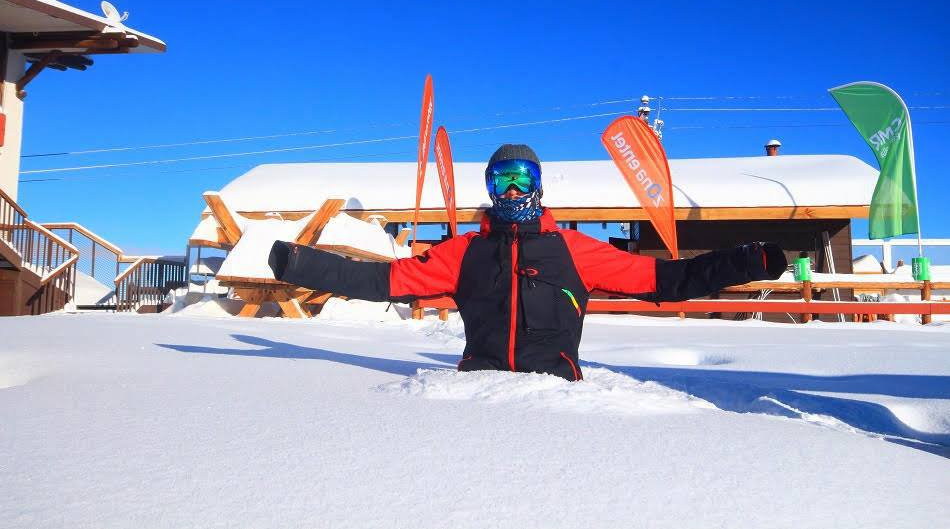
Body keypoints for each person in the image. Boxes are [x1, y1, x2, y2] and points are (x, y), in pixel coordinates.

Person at [268, 144, 786, 381]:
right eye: (501, 180)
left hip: (557, 400)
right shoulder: (465, 250)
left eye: (521, 178)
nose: (512, 189)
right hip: (476, 394)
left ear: (537, 185)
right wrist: (299, 264)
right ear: (489, 189)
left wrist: (749, 259)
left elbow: (667, 280)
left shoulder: (573, 250)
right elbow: (385, 280)